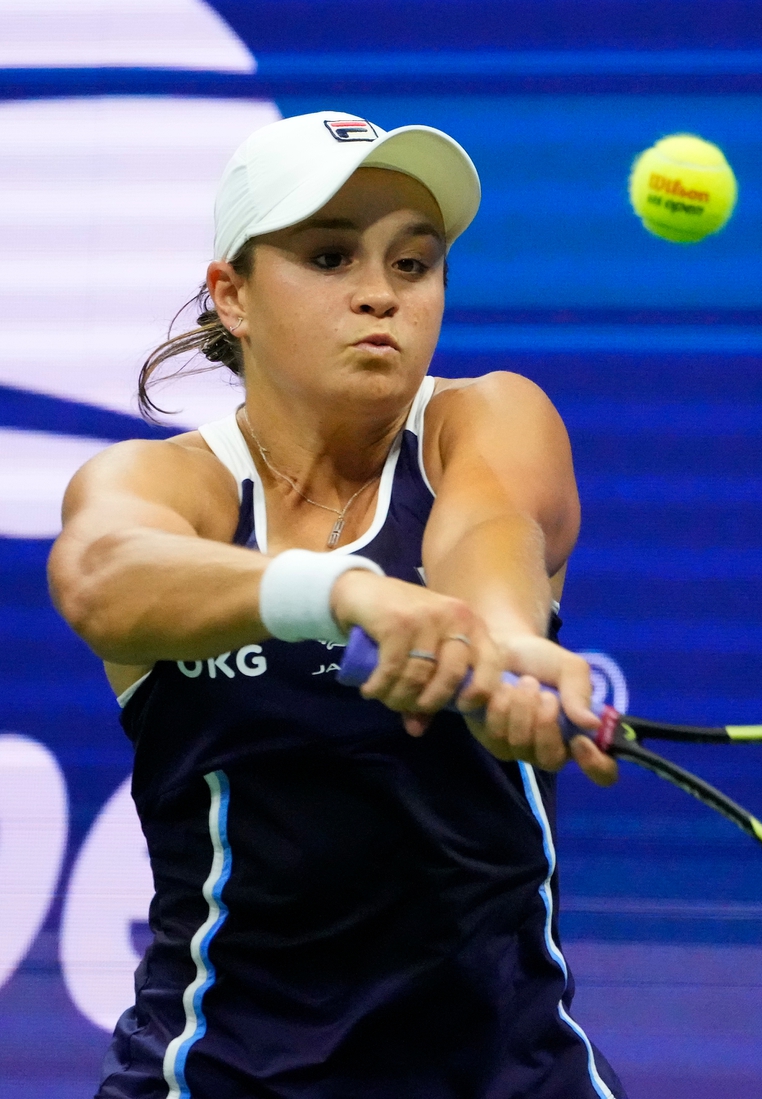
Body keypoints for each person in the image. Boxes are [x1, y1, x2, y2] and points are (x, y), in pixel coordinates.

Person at [49, 111, 626, 1099]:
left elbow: (491, 534)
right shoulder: (163, 485)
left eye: (414, 263)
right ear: (231, 293)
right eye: (329, 257)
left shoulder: (485, 418)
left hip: (507, 1072)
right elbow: (103, 575)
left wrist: (501, 641)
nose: (379, 296)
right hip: (218, 1072)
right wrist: (337, 593)